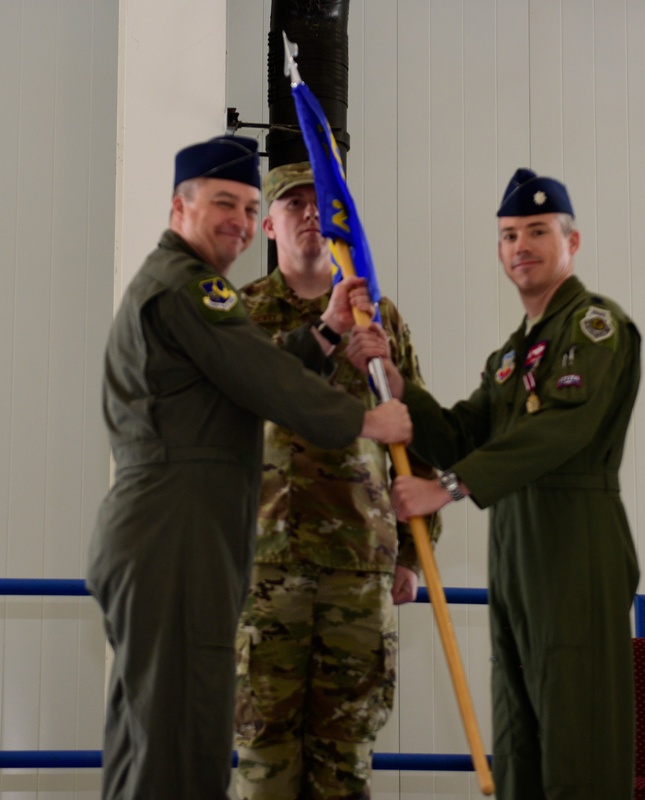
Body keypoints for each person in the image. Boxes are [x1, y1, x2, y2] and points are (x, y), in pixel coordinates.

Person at [85, 136, 412, 800]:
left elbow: (243, 374)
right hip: (178, 530)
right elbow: (262, 379)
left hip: (180, 528)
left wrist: (322, 333)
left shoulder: (181, 284)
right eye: (223, 203)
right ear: (181, 207)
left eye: (246, 204)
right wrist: (366, 421)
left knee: (157, 730)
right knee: (178, 735)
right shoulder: (188, 286)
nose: (237, 218)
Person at [347, 168, 642, 799]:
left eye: (537, 232)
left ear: (573, 242)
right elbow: (460, 433)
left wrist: (447, 489)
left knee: (577, 743)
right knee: (519, 743)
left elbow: (563, 430)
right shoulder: (513, 355)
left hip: (575, 548)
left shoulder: (595, 327)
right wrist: (402, 390)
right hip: (514, 552)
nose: (520, 247)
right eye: (509, 236)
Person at [232, 162, 441, 800]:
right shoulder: (243, 313)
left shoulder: (380, 315)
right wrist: (326, 336)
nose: (310, 214)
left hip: (359, 559)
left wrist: (414, 549)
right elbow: (241, 404)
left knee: (346, 753)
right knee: (265, 749)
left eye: (319, 202)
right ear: (268, 224)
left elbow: (418, 432)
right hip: (265, 564)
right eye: (292, 204)